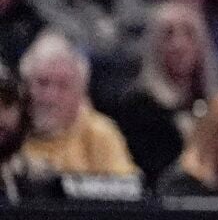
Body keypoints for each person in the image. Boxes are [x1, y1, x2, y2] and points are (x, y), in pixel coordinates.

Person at [107, 0, 218, 182]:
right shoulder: (137, 108)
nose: (179, 45)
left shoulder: (217, 105)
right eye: (168, 35)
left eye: (189, 34)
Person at [14, 30, 139, 181]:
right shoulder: (7, 130)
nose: (50, 97)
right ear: (24, 86)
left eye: (63, 86)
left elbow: (127, 193)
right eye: (42, 83)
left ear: (80, 95)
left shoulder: (99, 133)